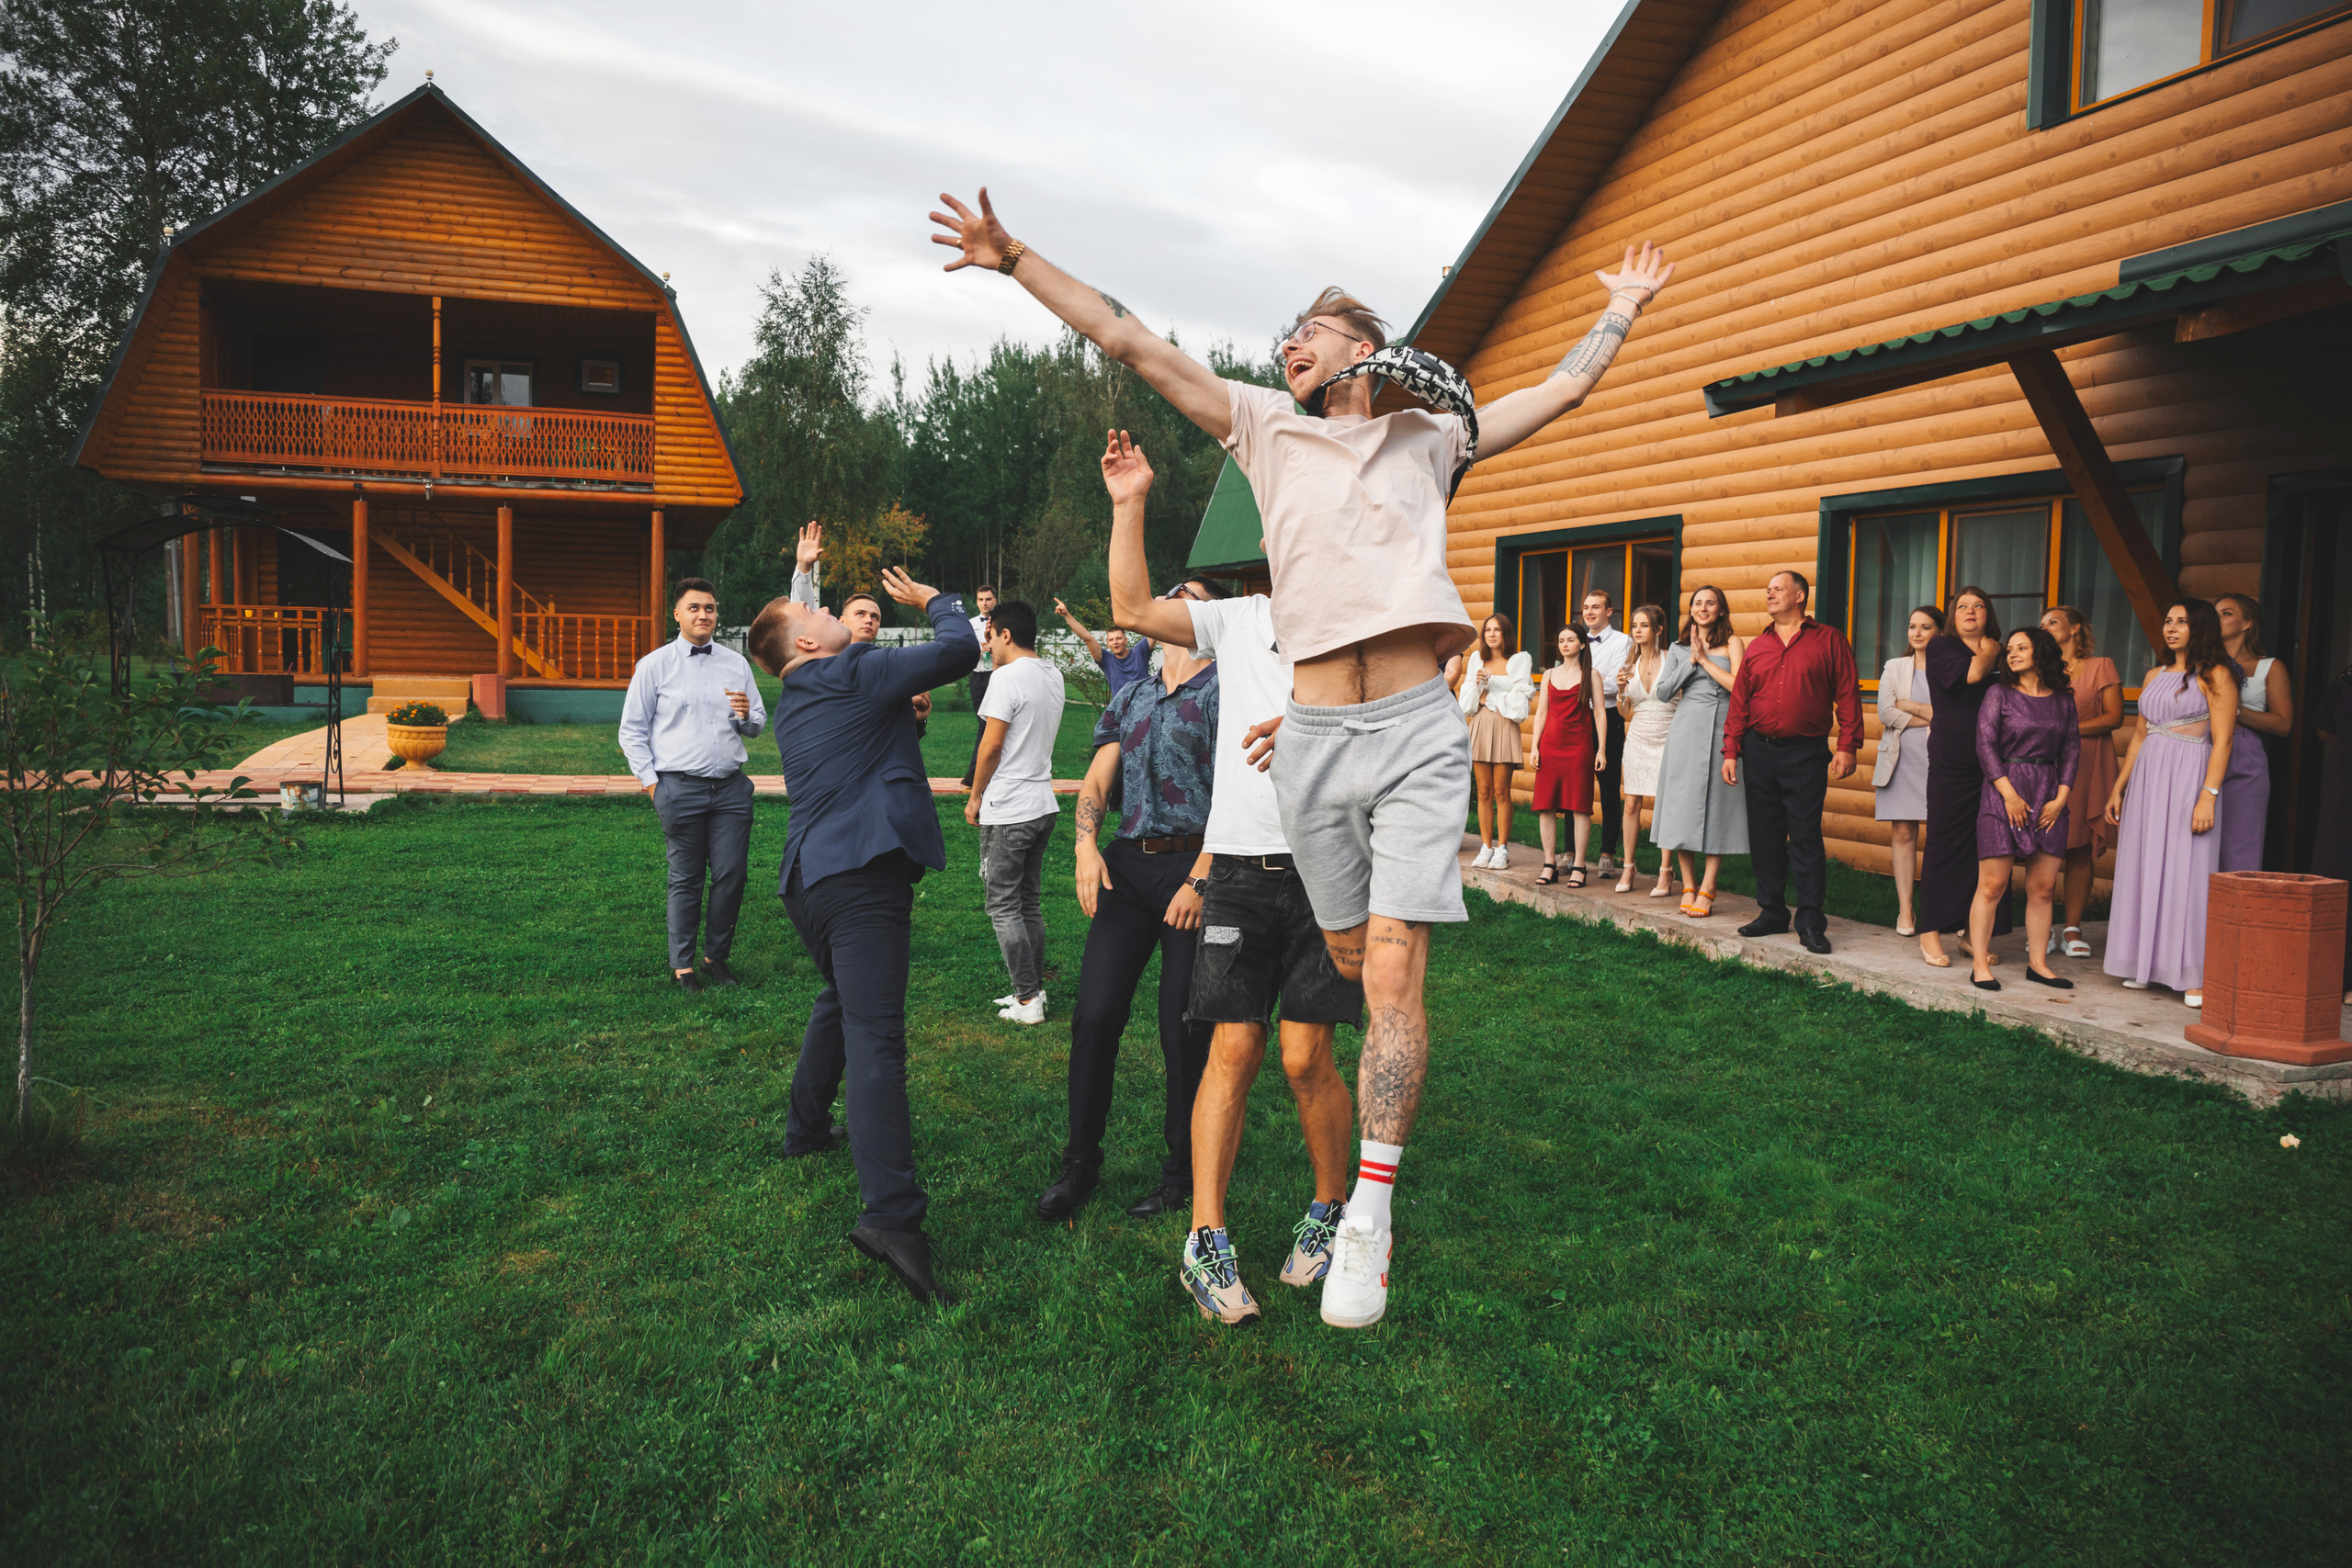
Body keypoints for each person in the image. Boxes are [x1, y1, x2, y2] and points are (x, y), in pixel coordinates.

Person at [929, 184, 1674, 1328]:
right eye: (1285, 336)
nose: (1287, 345)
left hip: (1420, 725)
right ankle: (1329, 1197)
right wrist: (1013, 256)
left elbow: (1561, 389)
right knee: (1337, 950)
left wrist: (1619, 311)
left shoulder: (1435, 440)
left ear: (1364, 351)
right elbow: (1126, 337)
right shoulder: (1262, 429)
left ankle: (1367, 1212)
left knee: (1389, 974)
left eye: (1308, 333)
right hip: (1315, 742)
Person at [1097, 430, 1365, 1326]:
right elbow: (1131, 605)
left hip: (1329, 867)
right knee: (1234, 1048)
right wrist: (1129, 503)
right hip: (1241, 872)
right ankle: (1205, 1239)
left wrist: (1315, 729)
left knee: (1304, 1056)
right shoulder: (1237, 621)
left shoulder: (1360, 627)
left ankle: (1332, 1209)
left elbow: (1400, 732)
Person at [746, 566, 978, 1306]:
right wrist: (935, 600)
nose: (822, 606)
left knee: (841, 1002)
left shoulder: (800, 697)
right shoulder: (848, 668)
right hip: (860, 875)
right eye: (810, 605)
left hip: (808, 885)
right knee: (877, 1037)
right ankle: (891, 1218)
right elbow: (957, 652)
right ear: (808, 638)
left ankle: (806, 1124)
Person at [617, 577, 767, 994]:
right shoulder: (654, 665)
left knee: (732, 874)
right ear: (678, 614)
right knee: (685, 879)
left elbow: (757, 723)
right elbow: (631, 731)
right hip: (678, 788)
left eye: (711, 608)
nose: (705, 615)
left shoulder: (735, 664)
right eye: (696, 608)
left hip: (731, 789)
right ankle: (683, 966)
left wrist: (744, 716)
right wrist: (653, 785)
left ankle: (715, 957)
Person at [2104, 599, 2240, 1008]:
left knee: (2188, 867)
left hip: (2188, 775)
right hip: (2149, 777)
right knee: (2145, 864)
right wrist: (2119, 787)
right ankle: (2146, 963)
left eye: (2182, 622)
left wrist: (2208, 797)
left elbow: (2224, 741)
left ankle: (2193, 974)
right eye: (2168, 621)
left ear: (2200, 628)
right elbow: (2141, 736)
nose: (2172, 628)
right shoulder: (2154, 673)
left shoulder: (2217, 675)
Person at [1721, 570, 1860, 953]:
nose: (1770, 594)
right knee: (1764, 836)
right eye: (1768, 590)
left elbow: (1848, 694)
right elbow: (1740, 703)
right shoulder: (1757, 646)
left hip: (1806, 752)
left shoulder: (1829, 640)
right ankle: (1772, 912)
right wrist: (1731, 749)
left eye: (1778, 589)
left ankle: (1811, 920)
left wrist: (1848, 744)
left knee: (1804, 835)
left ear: (1800, 596)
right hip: (1759, 750)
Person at [965, 598, 1068, 1024]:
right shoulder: (1053, 674)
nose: (987, 645)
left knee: (1003, 904)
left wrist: (975, 796)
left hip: (1009, 807)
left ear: (1004, 634)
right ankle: (1033, 992)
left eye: (989, 636)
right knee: (1028, 903)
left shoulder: (1006, 678)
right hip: (1042, 802)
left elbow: (990, 745)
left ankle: (1027, 1000)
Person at [1966, 627, 2081, 992]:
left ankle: (2038, 965)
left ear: (2040, 652)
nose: (2012, 654)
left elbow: (2072, 749)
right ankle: (1980, 964)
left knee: (2043, 887)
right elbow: (1984, 745)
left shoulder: (2063, 700)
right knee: (1993, 884)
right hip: (2004, 789)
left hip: (2049, 792)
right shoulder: (1998, 693)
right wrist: (2009, 795)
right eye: (2010, 649)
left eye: (2021, 648)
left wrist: (2062, 798)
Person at [1917, 587, 2007, 970]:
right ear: (1953, 615)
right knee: (1943, 840)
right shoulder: (1941, 648)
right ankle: (1930, 930)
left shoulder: (2004, 652)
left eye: (1979, 606)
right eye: (1963, 607)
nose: (1971, 611)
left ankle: (1973, 936)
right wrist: (1991, 651)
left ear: (1988, 614)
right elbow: (1972, 674)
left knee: (1987, 847)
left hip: (1993, 763)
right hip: (1952, 760)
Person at [1652, 585, 1747, 918]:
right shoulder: (1678, 648)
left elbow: (1739, 686)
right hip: (1686, 730)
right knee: (1682, 804)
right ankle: (1688, 883)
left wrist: (1705, 660)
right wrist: (1690, 661)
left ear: (1721, 610)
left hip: (1723, 727)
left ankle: (1709, 885)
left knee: (1718, 805)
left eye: (1711, 603)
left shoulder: (1733, 643)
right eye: (1698, 603)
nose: (1703, 608)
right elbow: (1663, 693)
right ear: (1690, 610)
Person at [2039, 606, 2120, 958]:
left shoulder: (2101, 665)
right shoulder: (2041, 670)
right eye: (2041, 624)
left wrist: (2066, 731)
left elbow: (2114, 716)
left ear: (2074, 629)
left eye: (2052, 622)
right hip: (2046, 763)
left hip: (2088, 761)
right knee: (2044, 843)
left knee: (2080, 846)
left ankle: (2072, 927)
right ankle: (2039, 926)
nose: (2045, 627)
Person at [792, 522, 932, 724]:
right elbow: (802, 618)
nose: (869, 620)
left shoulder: (887, 663)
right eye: (860, 613)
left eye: (875, 617)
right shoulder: (823, 655)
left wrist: (918, 719)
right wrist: (804, 568)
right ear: (841, 620)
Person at [1874, 606, 1940, 938]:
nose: (1916, 633)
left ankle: (1944, 909)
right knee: (1903, 833)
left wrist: (1912, 706)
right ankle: (1905, 907)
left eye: (1925, 627)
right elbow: (1886, 713)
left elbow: (1955, 713)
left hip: (1943, 758)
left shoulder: (1951, 668)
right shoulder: (1895, 666)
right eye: (1912, 626)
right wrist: (1934, 717)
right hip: (1901, 757)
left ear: (1939, 633)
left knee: (1944, 836)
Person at [1450, 614, 1533, 869]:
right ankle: (1485, 846)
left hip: (1505, 727)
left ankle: (1502, 848)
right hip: (1481, 725)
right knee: (1483, 792)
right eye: (1487, 630)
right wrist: (1479, 691)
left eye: (1497, 630)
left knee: (1501, 792)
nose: (1492, 634)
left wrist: (1489, 697)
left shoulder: (1519, 660)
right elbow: (1465, 704)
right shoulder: (1477, 659)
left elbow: (1520, 708)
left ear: (1505, 633)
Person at [2216, 592, 2291, 874]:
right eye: (2215, 613)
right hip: (2203, 747)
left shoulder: (2270, 666)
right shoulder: (2202, 663)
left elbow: (2283, 724)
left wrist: (2233, 710)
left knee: (2241, 840)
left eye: (2227, 613)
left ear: (2247, 623)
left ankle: (2237, 914)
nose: (2217, 618)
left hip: (2245, 753)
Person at [1529, 622, 1605, 887]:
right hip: (1550, 745)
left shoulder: (1591, 674)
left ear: (1582, 644)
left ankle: (1580, 866)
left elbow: (1599, 713)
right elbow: (1541, 713)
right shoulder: (1549, 674)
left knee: (1579, 806)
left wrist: (1602, 749)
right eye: (1561, 640)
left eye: (1570, 640)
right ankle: (1549, 862)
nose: (1564, 644)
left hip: (1579, 746)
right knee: (1546, 805)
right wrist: (1535, 746)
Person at [1615, 604, 1679, 896]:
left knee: (1666, 804)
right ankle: (1629, 866)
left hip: (1669, 732)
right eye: (1634, 625)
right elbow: (1625, 712)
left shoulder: (1673, 659)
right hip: (1639, 734)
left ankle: (1666, 871)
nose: (1637, 630)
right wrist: (1619, 692)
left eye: (1643, 625)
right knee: (1631, 803)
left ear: (1658, 629)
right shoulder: (1628, 666)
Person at [1581, 589, 1634, 877]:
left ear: (1609, 611)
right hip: (1577, 716)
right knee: (1577, 783)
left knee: (1609, 785)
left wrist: (1587, 682)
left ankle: (1607, 853)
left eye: (1596, 607)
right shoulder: (1577, 638)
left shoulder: (1623, 641)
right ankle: (1570, 852)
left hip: (1610, 717)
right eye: (1586, 607)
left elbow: (1615, 684)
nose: (1589, 612)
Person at [2310, 661, 2352, 1002]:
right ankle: (2337, 975)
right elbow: (2325, 728)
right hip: (2345, 784)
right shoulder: (2346, 678)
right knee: (2338, 868)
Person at [1056, 597, 1153, 701]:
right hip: (1121, 714)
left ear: (1126, 640)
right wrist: (1067, 615)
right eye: (1111, 640)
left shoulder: (1139, 652)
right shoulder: (1107, 661)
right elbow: (1087, 638)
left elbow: (1154, 630)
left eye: (1118, 638)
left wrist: (1162, 603)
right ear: (1107, 644)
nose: (1115, 642)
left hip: (1144, 711)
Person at [958, 584, 999, 787]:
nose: (985, 603)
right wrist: (978, 648)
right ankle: (986, 773)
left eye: (988, 599)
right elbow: (963, 649)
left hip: (997, 675)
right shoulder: (970, 623)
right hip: (977, 677)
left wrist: (994, 648)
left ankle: (973, 776)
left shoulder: (1003, 623)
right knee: (984, 724)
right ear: (976, 602)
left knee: (988, 724)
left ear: (995, 601)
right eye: (981, 599)